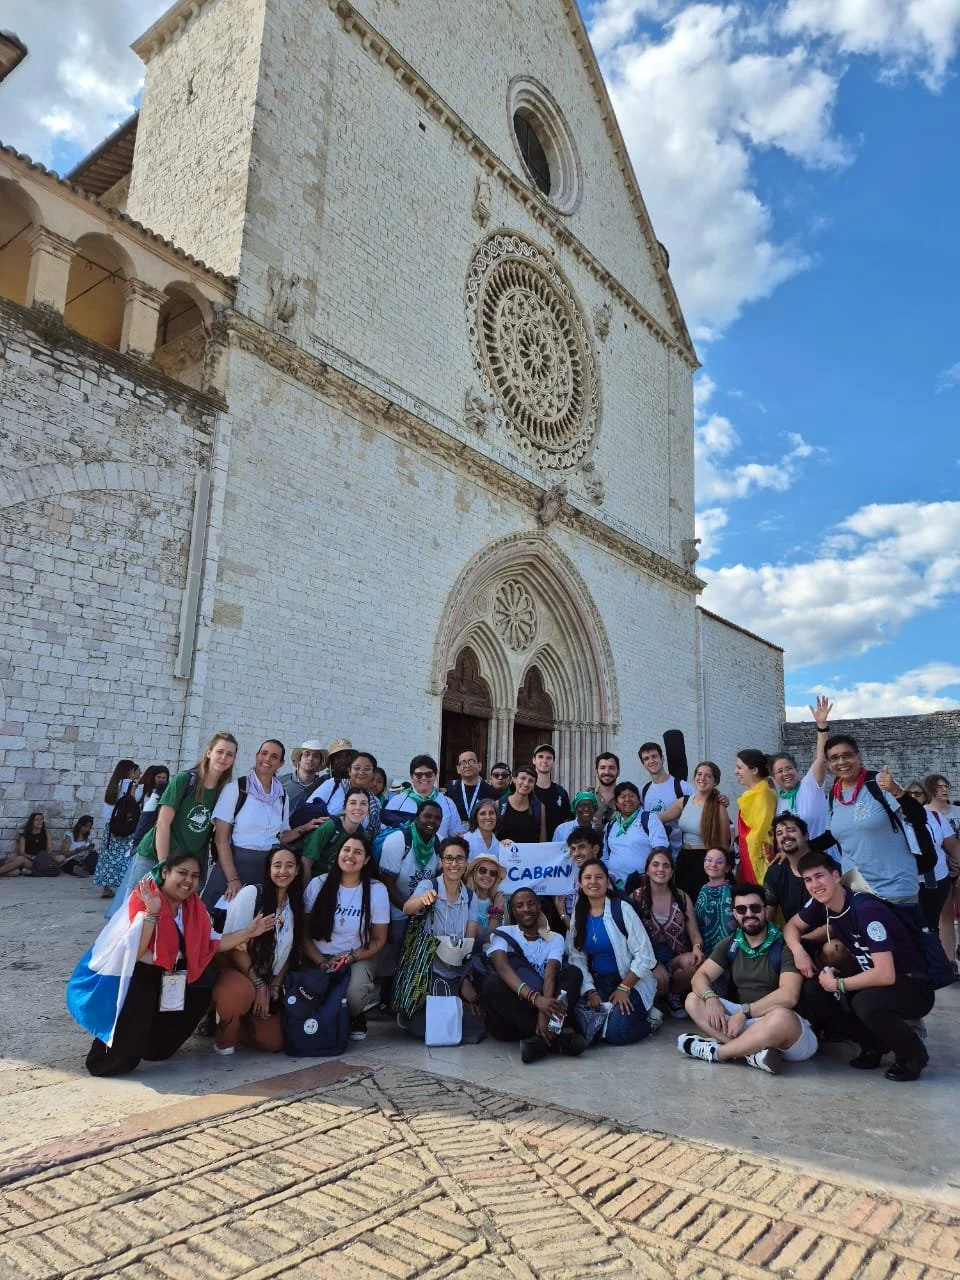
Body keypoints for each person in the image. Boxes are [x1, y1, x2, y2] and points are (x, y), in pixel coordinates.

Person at [79, 852, 275, 1077]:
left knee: (202, 986)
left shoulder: (194, 907)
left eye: (194, 876)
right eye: (182, 873)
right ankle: (108, 1060)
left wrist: (248, 932)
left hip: (174, 974)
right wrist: (152, 913)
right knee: (133, 1020)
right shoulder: (144, 897)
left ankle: (155, 1046)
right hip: (139, 974)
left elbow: (212, 942)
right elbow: (136, 950)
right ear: (165, 872)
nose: (188, 881)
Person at [787, 851, 935, 1081]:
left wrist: (839, 984)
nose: (815, 885)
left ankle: (912, 1055)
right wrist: (798, 951)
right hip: (875, 979)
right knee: (813, 991)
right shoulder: (822, 904)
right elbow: (791, 927)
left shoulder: (866, 909)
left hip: (912, 985)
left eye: (820, 876)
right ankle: (873, 1045)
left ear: (836, 876)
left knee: (864, 1002)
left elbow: (886, 975)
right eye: (808, 880)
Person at [679, 881, 817, 1073]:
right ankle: (752, 1054)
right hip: (745, 1023)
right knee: (693, 999)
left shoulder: (784, 945)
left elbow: (789, 995)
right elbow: (699, 977)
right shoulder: (731, 944)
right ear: (735, 914)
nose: (749, 914)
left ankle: (720, 1052)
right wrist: (710, 998)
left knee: (781, 1016)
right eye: (741, 909)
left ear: (765, 910)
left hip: (786, 1031)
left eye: (755, 908)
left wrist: (744, 1012)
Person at [471, 885, 584, 1063]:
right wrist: (536, 999)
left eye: (530, 904)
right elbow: (502, 967)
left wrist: (542, 1012)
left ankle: (540, 1042)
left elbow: (550, 974)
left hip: (544, 1011)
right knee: (492, 983)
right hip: (512, 1019)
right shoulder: (503, 933)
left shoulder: (555, 938)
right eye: (519, 905)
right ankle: (556, 1040)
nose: (526, 909)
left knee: (573, 973)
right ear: (513, 910)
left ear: (538, 906)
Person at [123, 732, 238, 905]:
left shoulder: (225, 792)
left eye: (230, 754)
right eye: (220, 751)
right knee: (135, 913)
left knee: (178, 921)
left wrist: (232, 878)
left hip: (189, 867)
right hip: (155, 858)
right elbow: (162, 824)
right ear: (209, 752)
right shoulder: (185, 780)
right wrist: (163, 866)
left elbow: (221, 837)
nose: (224, 757)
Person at [211, 845, 304, 1054]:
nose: (283, 871)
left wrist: (275, 986)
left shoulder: (294, 904)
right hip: (237, 970)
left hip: (267, 976)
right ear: (268, 869)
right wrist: (259, 984)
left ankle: (243, 1022)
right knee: (238, 993)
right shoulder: (252, 894)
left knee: (273, 1043)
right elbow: (234, 947)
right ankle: (224, 1030)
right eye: (277, 865)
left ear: (297, 870)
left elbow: (290, 951)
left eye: (289, 866)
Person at [302, 833, 389, 1040]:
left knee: (354, 994)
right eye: (346, 850)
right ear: (338, 854)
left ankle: (354, 1015)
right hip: (318, 956)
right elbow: (303, 935)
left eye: (358, 852)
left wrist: (350, 958)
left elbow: (379, 939)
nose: (350, 856)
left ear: (366, 859)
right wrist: (323, 962)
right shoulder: (318, 884)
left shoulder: (377, 890)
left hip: (355, 956)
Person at [400, 835, 483, 1041]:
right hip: (427, 968)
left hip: (456, 968)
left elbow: (469, 941)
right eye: (448, 858)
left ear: (466, 862)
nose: (454, 864)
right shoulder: (430, 885)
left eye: (459, 859)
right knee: (432, 1026)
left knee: (470, 1026)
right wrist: (422, 899)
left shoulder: (470, 896)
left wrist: (465, 978)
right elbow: (407, 908)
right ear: (441, 861)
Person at [567, 860, 658, 1045]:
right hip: (599, 981)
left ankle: (651, 1021)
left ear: (607, 881)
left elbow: (645, 955)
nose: (593, 882)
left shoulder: (622, 909)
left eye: (599, 877)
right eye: (588, 877)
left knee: (617, 1033)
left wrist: (624, 988)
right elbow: (576, 957)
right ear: (580, 883)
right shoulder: (579, 912)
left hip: (630, 980)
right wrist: (590, 990)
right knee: (583, 1023)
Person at [822, 737, 922, 904]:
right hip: (857, 890)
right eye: (834, 758)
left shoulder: (877, 783)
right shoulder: (834, 794)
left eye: (847, 755)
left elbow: (918, 817)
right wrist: (798, 850)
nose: (841, 762)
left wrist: (896, 791)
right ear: (828, 764)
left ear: (859, 757)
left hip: (894, 888)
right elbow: (831, 836)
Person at [205, 740, 299, 906]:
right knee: (218, 921)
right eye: (264, 753)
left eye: (274, 756)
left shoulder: (282, 796)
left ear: (281, 764)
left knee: (256, 921)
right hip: (233, 865)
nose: (267, 759)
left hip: (265, 870)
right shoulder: (236, 789)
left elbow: (280, 837)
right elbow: (221, 839)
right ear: (257, 756)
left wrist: (305, 828)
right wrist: (233, 879)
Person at [634, 849, 704, 1017]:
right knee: (660, 978)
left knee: (697, 962)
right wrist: (650, 963)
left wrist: (697, 948)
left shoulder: (681, 897)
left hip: (675, 957)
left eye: (666, 866)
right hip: (649, 958)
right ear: (647, 870)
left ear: (672, 872)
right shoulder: (637, 897)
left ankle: (672, 995)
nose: (661, 869)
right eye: (655, 865)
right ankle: (654, 998)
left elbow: (694, 932)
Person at [770, 695, 832, 838]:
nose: (785, 773)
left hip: (822, 856)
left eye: (789, 768)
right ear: (774, 777)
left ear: (797, 770)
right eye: (780, 771)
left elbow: (822, 759)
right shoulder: (778, 803)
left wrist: (822, 726)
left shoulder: (810, 785)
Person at [673, 761, 731, 902]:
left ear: (715, 781)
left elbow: (724, 844)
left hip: (705, 860)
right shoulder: (684, 801)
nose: (702, 778)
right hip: (684, 859)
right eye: (699, 774)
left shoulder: (719, 806)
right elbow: (659, 819)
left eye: (708, 776)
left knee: (701, 902)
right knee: (683, 901)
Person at [911, 778, 960, 935]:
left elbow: (952, 844)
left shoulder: (934, 816)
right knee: (922, 925)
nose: (912, 796)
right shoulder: (896, 818)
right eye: (908, 793)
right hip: (910, 881)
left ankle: (945, 958)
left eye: (917, 793)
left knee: (933, 924)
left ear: (924, 796)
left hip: (938, 877)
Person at [602, 782, 669, 891]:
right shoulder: (610, 825)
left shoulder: (649, 818)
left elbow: (660, 850)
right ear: (616, 803)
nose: (627, 799)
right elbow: (605, 857)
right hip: (614, 886)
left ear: (638, 800)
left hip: (643, 885)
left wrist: (651, 875)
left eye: (632, 796)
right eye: (622, 796)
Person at [925, 774, 960, 967]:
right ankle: (949, 962)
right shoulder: (925, 813)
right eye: (939, 787)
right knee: (945, 916)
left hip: (959, 865)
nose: (944, 789)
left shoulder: (957, 811)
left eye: (946, 786)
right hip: (940, 870)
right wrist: (947, 859)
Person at [93, 759, 141, 898]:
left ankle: (106, 887)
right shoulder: (129, 784)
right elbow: (131, 804)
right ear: (130, 771)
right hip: (123, 825)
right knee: (124, 854)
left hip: (110, 825)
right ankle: (123, 886)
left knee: (107, 855)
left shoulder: (113, 785)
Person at [638, 741, 694, 859]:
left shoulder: (683, 787)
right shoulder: (643, 791)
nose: (651, 761)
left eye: (654, 756)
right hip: (656, 857)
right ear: (643, 764)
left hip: (681, 855)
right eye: (646, 758)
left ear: (662, 758)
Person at [307, 751, 383, 835]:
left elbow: (372, 835)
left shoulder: (375, 803)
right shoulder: (333, 785)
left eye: (367, 769)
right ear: (349, 771)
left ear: (373, 773)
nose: (361, 772)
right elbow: (308, 810)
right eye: (357, 768)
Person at [302, 787, 371, 878]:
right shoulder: (330, 827)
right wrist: (308, 889)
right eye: (353, 803)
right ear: (344, 808)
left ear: (368, 811)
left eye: (363, 804)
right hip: (316, 879)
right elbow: (306, 860)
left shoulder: (363, 835)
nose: (358, 807)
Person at [383, 755, 459, 837]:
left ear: (435, 775)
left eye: (428, 774)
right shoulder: (397, 801)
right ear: (412, 777)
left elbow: (455, 834)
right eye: (419, 775)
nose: (423, 778)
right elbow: (385, 831)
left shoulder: (448, 803)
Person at [734, 750, 776, 884]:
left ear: (754, 770)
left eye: (740, 767)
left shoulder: (763, 794)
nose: (736, 771)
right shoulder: (760, 792)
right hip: (750, 854)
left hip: (758, 858)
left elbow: (761, 834)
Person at [764, 814, 814, 925]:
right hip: (793, 937)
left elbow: (835, 921)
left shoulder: (826, 866)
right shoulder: (775, 872)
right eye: (779, 833)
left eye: (791, 830)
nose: (785, 835)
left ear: (806, 835)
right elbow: (767, 916)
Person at [554, 827, 603, 933]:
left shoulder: (600, 882)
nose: (576, 853)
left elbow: (582, 932)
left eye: (582, 847)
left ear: (595, 849)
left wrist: (562, 913)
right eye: (573, 849)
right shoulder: (578, 877)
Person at [694, 847, 735, 952]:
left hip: (728, 950)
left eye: (719, 862)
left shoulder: (731, 892)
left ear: (727, 868)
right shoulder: (703, 889)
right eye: (709, 860)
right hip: (703, 947)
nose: (713, 865)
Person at [446, 750, 497, 832]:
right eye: (463, 762)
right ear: (458, 769)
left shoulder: (490, 791)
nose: (467, 765)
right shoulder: (450, 789)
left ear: (479, 766)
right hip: (455, 838)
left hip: (481, 837)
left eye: (471, 761)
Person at [497, 766, 547, 845]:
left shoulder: (539, 807)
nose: (526, 783)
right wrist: (500, 843)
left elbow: (542, 841)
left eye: (530, 781)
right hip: (504, 855)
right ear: (514, 780)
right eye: (523, 778)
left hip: (530, 855)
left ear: (534, 785)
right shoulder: (499, 804)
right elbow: (491, 836)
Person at [465, 851, 507, 942]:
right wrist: (497, 911)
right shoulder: (466, 900)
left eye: (493, 873)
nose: (487, 875)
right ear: (474, 873)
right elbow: (486, 939)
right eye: (482, 871)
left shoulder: (499, 899)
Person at [532, 744, 572, 838]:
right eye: (540, 757)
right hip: (531, 846)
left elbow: (567, 820)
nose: (544, 761)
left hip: (556, 846)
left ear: (553, 761)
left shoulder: (561, 792)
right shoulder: (527, 790)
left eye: (549, 758)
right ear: (534, 760)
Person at [279, 740, 327, 812]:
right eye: (307, 754)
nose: (310, 758)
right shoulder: (280, 782)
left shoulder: (324, 787)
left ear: (320, 763)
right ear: (299, 759)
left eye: (316, 756)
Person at [0, 812, 53, 876]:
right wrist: (32, 857)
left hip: (41, 862)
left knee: (20, 859)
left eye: (41, 819)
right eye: (37, 820)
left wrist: (39, 858)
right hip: (29, 861)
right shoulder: (24, 836)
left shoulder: (46, 834)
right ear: (31, 822)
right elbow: (21, 853)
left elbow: (49, 850)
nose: (40, 821)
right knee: (12, 860)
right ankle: (9, 870)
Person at [466, 798, 503, 863]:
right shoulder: (465, 840)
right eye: (483, 813)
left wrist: (508, 847)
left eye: (491, 813)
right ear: (476, 818)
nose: (488, 817)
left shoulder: (500, 845)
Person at [593, 752, 620, 826]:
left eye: (611, 768)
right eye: (602, 768)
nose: (607, 772)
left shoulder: (626, 799)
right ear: (596, 771)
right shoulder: (588, 797)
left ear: (618, 771)